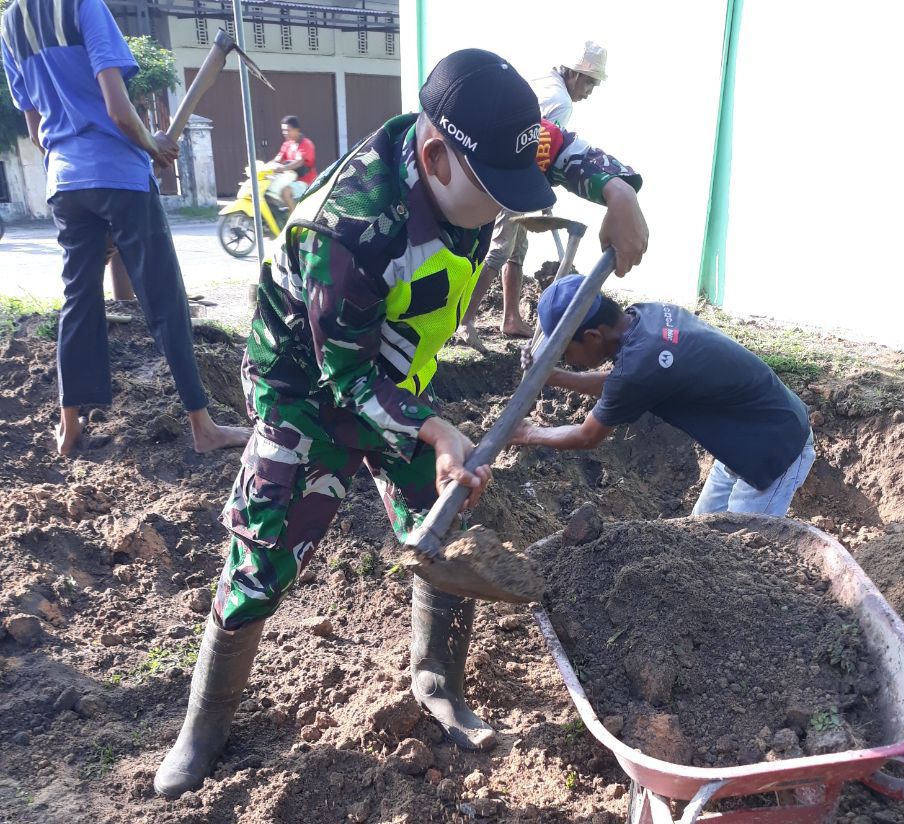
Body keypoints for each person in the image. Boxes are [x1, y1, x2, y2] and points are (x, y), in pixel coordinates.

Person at [154, 48, 648, 799]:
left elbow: (552, 147)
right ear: (435, 156)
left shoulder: (486, 144)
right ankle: (206, 723)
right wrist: (439, 430)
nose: (509, 208)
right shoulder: (350, 232)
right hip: (308, 395)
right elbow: (346, 378)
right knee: (264, 554)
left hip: (398, 379)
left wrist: (616, 191)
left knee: (441, 519)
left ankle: (436, 680)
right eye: (494, 194)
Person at [1, 0, 249, 456]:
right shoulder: (83, 7)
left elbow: (35, 130)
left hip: (65, 182)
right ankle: (203, 427)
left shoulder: (12, 22)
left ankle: (70, 425)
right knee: (164, 297)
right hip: (119, 176)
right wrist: (150, 143)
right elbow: (117, 110)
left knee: (78, 299)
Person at [510, 276, 817, 516]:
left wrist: (526, 433)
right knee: (701, 538)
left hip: (776, 448)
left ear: (593, 336)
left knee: (742, 555)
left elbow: (587, 435)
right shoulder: (646, 316)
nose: (568, 360)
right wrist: (554, 377)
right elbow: (622, 382)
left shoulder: (640, 367)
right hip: (743, 439)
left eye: (566, 352)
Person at [456, 41, 614, 350]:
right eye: (590, 83)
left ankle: (511, 318)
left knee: (517, 249)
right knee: (500, 250)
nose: (590, 91)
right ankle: (464, 321)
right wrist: (538, 193)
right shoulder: (560, 102)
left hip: (501, 169)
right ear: (576, 75)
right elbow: (534, 149)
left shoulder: (544, 82)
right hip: (510, 179)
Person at [266, 114, 317, 212]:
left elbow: (299, 162)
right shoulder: (287, 144)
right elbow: (278, 159)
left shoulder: (306, 144)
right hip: (291, 180)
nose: (285, 133)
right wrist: (265, 167)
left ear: (297, 130)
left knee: (285, 191)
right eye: (283, 131)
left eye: (288, 130)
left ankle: (293, 219)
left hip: (306, 183)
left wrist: (282, 169)